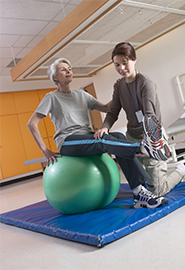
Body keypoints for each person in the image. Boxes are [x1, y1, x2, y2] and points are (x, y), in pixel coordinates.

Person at [27, 58, 168, 209]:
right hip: (68, 141)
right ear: (55, 77)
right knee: (102, 141)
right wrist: (45, 151)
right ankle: (143, 147)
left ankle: (139, 193)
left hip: (86, 136)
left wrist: (117, 92)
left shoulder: (81, 95)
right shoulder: (51, 97)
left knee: (118, 137)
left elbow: (107, 108)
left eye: (69, 68)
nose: (68, 71)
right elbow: (32, 123)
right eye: (63, 69)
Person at [95, 42, 185, 197]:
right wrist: (105, 127)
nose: (121, 68)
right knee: (141, 183)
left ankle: (180, 171)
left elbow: (150, 116)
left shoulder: (145, 83)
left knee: (157, 191)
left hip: (152, 137)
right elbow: (113, 111)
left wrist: (147, 143)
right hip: (132, 137)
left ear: (134, 60)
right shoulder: (119, 86)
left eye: (125, 63)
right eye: (117, 65)